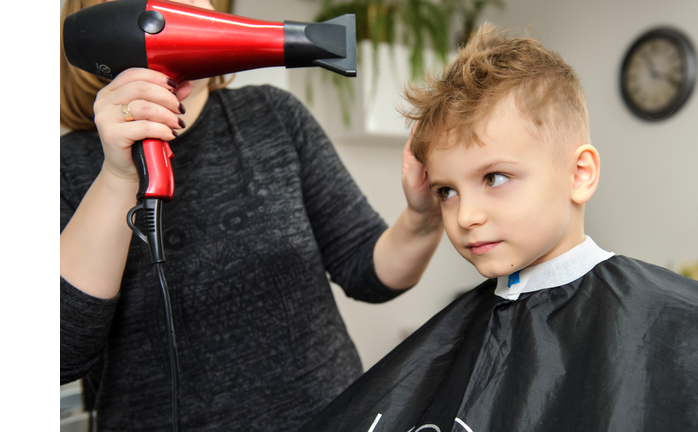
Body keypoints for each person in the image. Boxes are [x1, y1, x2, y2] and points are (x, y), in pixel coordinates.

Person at [59, 0, 444, 431]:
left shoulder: (274, 117)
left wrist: (423, 218)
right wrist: (116, 176)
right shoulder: (62, 168)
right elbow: (60, 355)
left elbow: (366, 270)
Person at [302, 24, 698, 432]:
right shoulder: (460, 332)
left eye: (494, 178)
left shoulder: (689, 329)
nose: (465, 217)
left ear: (580, 174)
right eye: (447, 191)